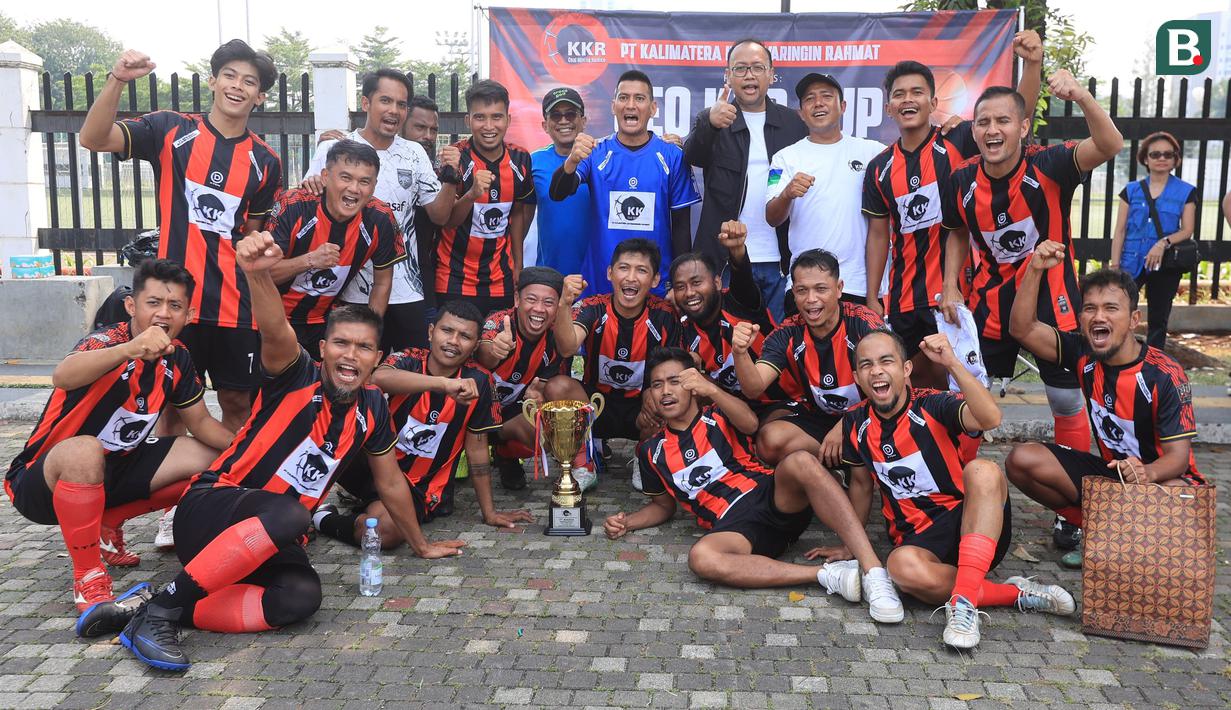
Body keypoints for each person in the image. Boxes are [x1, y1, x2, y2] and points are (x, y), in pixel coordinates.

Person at [118, 232, 465, 672]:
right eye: (341, 343)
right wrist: (256, 274)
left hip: (269, 536)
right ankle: (161, 615)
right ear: (322, 350)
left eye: (363, 347)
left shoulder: (374, 406)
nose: (350, 355)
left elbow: (391, 480)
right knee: (291, 513)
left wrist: (422, 545)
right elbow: (275, 327)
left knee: (301, 597)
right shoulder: (295, 373)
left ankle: (158, 605)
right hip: (211, 511)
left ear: (377, 358)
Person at [941, 72, 1123, 548]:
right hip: (988, 307)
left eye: (1003, 120)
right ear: (974, 130)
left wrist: (1082, 94)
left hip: (1053, 306)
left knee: (1065, 401)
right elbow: (955, 232)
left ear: (1023, 127)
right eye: (983, 122)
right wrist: (948, 287)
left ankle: (1076, 509)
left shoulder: (1052, 165)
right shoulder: (961, 180)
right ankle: (956, 495)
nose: (992, 129)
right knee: (971, 400)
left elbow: (1110, 144)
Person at [603, 348, 904, 624]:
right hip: (736, 529)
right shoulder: (650, 451)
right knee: (701, 557)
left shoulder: (718, 415)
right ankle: (826, 576)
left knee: (800, 461)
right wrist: (628, 522)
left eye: (675, 381)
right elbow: (662, 506)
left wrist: (711, 389)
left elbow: (749, 423)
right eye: (657, 385)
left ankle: (873, 572)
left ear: (692, 385)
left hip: (770, 496)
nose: (666, 391)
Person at [5, 259, 232, 621]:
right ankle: (89, 578)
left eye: (174, 306)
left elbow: (202, 423)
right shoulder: (108, 340)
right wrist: (131, 349)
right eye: (153, 303)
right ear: (132, 306)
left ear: (188, 314)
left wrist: (254, 448)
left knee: (210, 459)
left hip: (116, 471)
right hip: (43, 480)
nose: (163, 313)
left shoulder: (180, 359)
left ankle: (106, 522)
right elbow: (63, 375)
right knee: (85, 448)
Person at [80, 41, 283, 432]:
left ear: (259, 97)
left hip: (234, 303)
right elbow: (94, 138)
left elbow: (252, 238)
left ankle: (232, 487)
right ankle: (169, 491)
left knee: (239, 401)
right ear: (212, 81)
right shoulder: (169, 128)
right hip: (175, 302)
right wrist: (117, 81)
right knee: (170, 401)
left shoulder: (266, 162)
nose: (237, 86)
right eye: (229, 76)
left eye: (249, 81)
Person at [830, 328, 1074, 649]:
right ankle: (1011, 593)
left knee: (983, 470)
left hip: (970, 522)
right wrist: (851, 545)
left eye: (886, 361)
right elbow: (861, 485)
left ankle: (962, 605)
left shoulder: (932, 403)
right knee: (900, 568)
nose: (876, 370)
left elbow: (990, 418)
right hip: (918, 542)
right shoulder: (854, 423)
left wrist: (953, 364)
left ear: (906, 370)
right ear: (858, 378)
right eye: (866, 365)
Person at [1005, 242, 1205, 568]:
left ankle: (1133, 549)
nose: (1099, 316)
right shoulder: (1084, 353)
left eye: (1111, 308)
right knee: (1022, 459)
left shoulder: (1165, 374)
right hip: (1115, 480)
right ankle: (1102, 533)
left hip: (1163, 481)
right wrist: (1035, 268)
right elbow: (1022, 329)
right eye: (1090, 308)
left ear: (1133, 320)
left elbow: (1179, 460)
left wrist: (1146, 472)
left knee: (1170, 491)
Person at [863, 37, 1042, 387]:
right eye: (899, 94)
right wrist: (873, 295)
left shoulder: (959, 139)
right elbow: (879, 235)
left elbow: (1015, 114)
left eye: (917, 92)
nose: (908, 99)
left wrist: (1033, 65)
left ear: (933, 102)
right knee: (911, 388)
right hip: (902, 299)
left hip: (955, 296)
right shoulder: (878, 167)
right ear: (889, 108)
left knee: (962, 387)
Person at [313, 299, 536, 544]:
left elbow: (477, 449)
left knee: (385, 532)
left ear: (474, 346)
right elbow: (378, 377)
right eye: (447, 330)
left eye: (465, 336)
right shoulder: (410, 359)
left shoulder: (479, 382)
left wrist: (490, 512)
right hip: (371, 466)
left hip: (418, 486)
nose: (453, 341)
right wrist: (442, 384)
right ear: (431, 332)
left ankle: (324, 519)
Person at [304, 70, 459, 352]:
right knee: (353, 368)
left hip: (406, 287)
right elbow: (309, 202)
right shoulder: (333, 147)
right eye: (385, 101)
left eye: (401, 104)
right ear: (366, 103)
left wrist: (451, 177)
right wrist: (310, 184)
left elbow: (439, 216)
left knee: (409, 367)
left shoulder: (414, 153)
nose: (394, 111)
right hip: (347, 286)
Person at [683, 38, 808, 321]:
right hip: (727, 260)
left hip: (781, 261)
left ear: (771, 74)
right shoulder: (714, 119)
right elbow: (693, 156)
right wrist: (709, 124)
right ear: (728, 76)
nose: (749, 75)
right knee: (727, 350)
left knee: (777, 348)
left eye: (757, 67)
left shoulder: (793, 123)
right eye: (740, 69)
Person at [550, 70, 701, 298]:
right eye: (623, 98)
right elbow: (558, 192)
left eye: (639, 98)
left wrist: (680, 283)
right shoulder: (596, 152)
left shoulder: (672, 156)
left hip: (655, 285)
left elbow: (681, 227)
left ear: (653, 108)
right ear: (613, 106)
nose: (630, 105)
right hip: (601, 282)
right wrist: (571, 160)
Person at [732, 250, 884, 465]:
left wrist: (847, 424)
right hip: (823, 420)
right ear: (793, 292)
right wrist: (739, 353)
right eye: (802, 290)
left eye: (821, 289)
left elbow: (896, 384)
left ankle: (854, 460)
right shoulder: (787, 332)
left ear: (839, 288)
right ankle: (838, 468)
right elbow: (753, 388)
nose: (811, 299)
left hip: (874, 415)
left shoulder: (864, 323)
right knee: (769, 440)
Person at [554, 238, 681, 489]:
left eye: (641, 270)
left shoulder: (665, 315)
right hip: (597, 406)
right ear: (610, 273)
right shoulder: (592, 307)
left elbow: (675, 371)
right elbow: (568, 346)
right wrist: (563, 304)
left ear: (655, 280)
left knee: (671, 392)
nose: (631, 277)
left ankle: (643, 456)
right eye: (624, 268)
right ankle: (584, 460)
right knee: (558, 388)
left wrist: (652, 393)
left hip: (642, 410)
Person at [271, 140, 406, 359]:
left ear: (374, 185)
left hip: (323, 323)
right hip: (269, 318)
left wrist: (368, 334)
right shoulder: (293, 205)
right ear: (325, 177)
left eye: (364, 181)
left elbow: (382, 283)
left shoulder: (381, 218)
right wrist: (310, 260)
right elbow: (263, 274)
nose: (354, 189)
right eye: (346, 177)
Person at [765, 74, 886, 307]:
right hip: (805, 287)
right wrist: (787, 193)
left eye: (826, 97)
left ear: (842, 106)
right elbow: (772, 217)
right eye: (809, 99)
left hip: (858, 285)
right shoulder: (785, 158)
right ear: (801, 113)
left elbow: (911, 156)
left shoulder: (872, 152)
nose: (818, 103)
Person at [475, 267, 594, 491]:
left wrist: (538, 396)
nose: (539, 309)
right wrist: (495, 350)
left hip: (512, 413)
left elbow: (556, 378)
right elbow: (485, 350)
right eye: (531, 299)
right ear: (517, 299)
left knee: (548, 427)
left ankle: (580, 463)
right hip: (477, 412)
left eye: (549, 302)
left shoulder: (556, 333)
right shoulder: (501, 321)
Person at [670, 221, 803, 406]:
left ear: (717, 283)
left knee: (770, 435)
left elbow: (742, 277)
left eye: (697, 282)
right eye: (680, 287)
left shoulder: (738, 302)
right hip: (734, 411)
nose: (690, 292)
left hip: (781, 402)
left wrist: (737, 250)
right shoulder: (681, 329)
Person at [437, 80, 535, 316]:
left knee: (497, 347)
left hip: (500, 279)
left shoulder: (521, 159)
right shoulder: (455, 157)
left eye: (496, 117)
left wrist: (518, 267)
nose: (489, 126)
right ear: (468, 120)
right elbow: (446, 220)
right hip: (453, 277)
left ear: (508, 120)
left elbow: (519, 214)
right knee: (455, 349)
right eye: (480, 117)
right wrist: (471, 195)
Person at [1110, 131, 1197, 350]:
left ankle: (1154, 363)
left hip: (1165, 262)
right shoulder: (1130, 191)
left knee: (1159, 318)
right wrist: (1115, 265)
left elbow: (1187, 230)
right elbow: (1119, 231)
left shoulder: (1186, 192)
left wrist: (1162, 243)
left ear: (1175, 159)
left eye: (1168, 154)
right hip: (1130, 261)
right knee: (1121, 310)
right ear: (1145, 159)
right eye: (1155, 154)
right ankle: (1121, 352)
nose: (1161, 158)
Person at [529, 88, 593, 277]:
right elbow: (518, 217)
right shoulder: (533, 161)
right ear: (545, 125)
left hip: (596, 276)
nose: (564, 121)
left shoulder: (602, 158)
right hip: (549, 276)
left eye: (570, 114)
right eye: (556, 116)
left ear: (583, 121)